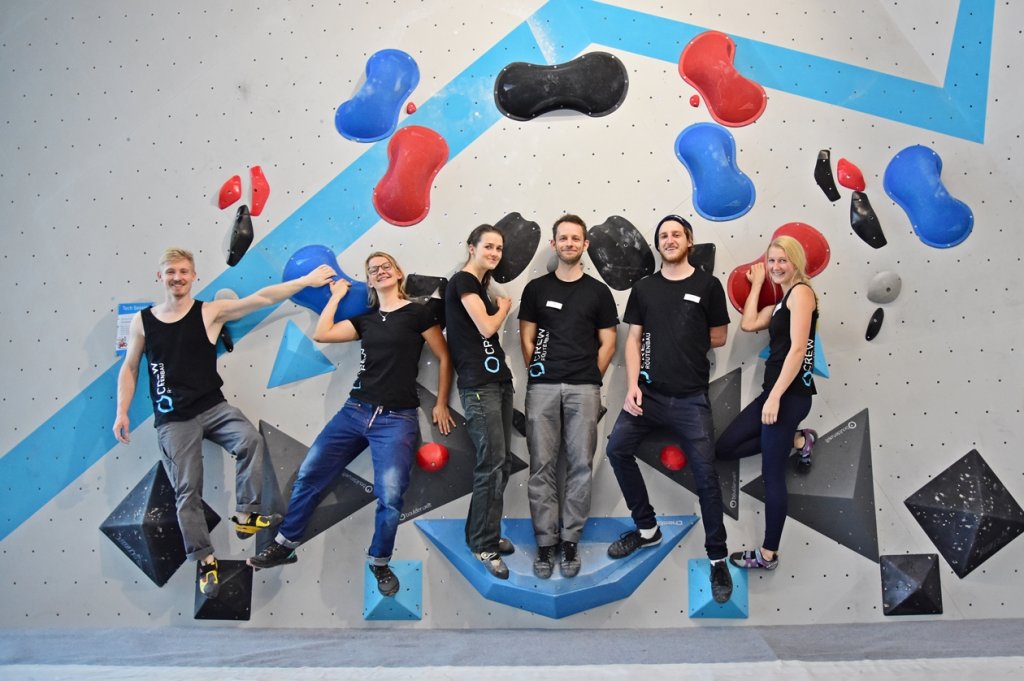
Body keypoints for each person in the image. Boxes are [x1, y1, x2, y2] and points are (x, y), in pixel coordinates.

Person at [113, 247, 335, 598]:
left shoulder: (210, 312)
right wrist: (121, 412)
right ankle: (205, 560)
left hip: (213, 407)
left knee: (249, 440)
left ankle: (247, 513)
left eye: (184, 271)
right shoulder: (144, 321)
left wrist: (306, 280)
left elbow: (262, 298)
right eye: (171, 271)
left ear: (194, 275)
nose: (178, 278)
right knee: (187, 491)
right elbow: (129, 368)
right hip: (173, 419)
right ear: (161, 276)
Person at [247, 252, 455, 597]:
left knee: (391, 495)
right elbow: (323, 333)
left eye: (386, 266)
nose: (380, 271)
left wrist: (443, 401)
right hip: (355, 411)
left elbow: (445, 356)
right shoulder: (366, 320)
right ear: (370, 281)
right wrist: (338, 296)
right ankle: (286, 544)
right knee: (311, 473)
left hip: (397, 419)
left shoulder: (419, 313)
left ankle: (380, 561)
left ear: (398, 272)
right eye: (373, 270)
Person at [604, 215, 734, 604]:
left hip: (692, 399)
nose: (670, 240)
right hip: (649, 396)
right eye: (663, 236)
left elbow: (720, 336)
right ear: (658, 245)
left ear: (689, 241)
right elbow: (633, 340)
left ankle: (717, 558)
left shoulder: (708, 286)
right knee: (616, 450)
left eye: (676, 234)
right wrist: (632, 387)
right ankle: (647, 530)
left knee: (707, 478)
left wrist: (683, 346)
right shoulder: (644, 288)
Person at [519, 215, 618, 579]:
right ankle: (545, 544)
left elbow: (609, 341)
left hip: (584, 389)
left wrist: (592, 375)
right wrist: (540, 370)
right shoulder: (536, 290)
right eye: (563, 238)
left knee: (580, 465)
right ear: (554, 244)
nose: (570, 243)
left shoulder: (598, 292)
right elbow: (527, 338)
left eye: (576, 238)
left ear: (585, 245)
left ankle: (570, 541)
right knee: (541, 466)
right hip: (542, 389)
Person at [715, 236, 819, 571]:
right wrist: (759, 282)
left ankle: (768, 554)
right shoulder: (782, 299)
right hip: (773, 393)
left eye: (782, 261)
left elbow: (799, 349)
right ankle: (799, 440)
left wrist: (774, 398)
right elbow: (748, 324)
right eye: (771, 261)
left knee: (772, 475)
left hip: (787, 397)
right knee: (726, 447)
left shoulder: (802, 293)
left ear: (795, 262)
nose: (776, 266)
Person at [444, 224, 517, 579]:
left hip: (498, 380)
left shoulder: (480, 285)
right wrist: (503, 308)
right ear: (471, 247)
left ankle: (484, 533)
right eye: (488, 246)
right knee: (490, 464)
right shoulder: (463, 281)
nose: (494, 253)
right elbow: (486, 328)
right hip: (478, 384)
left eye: (498, 248)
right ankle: (483, 545)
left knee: (499, 463)